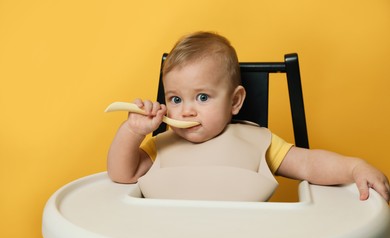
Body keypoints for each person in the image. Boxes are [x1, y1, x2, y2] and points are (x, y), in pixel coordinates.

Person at [107, 31, 389, 203]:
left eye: (202, 97)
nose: (186, 110)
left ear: (235, 101)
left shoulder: (258, 142)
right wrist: (133, 131)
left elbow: (309, 164)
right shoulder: (161, 146)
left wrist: (354, 168)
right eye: (175, 99)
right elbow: (122, 174)